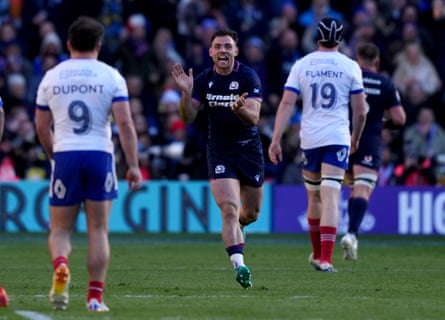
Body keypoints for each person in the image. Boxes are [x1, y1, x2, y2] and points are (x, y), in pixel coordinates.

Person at [35, 16, 142, 312]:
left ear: (68, 44)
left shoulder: (52, 77)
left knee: (59, 230)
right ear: (99, 44)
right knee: (98, 231)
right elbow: (125, 124)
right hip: (99, 154)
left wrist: (55, 156)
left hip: (67, 153)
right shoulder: (111, 76)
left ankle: (61, 265)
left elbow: (42, 127)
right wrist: (133, 165)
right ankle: (94, 298)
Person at [268, 17, 367, 272]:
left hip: (310, 137)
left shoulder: (302, 64)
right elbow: (360, 110)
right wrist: (355, 137)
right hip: (337, 136)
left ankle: (315, 253)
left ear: (317, 37)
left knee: (313, 196)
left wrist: (276, 138)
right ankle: (326, 258)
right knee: (331, 195)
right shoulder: (350, 66)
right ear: (340, 39)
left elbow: (287, 104)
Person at [171, 28, 264, 288]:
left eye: (228, 46)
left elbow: (255, 116)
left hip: (249, 150)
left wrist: (240, 110)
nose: (223, 50)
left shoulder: (248, 76)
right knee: (229, 210)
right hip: (220, 151)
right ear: (211, 52)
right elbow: (187, 117)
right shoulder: (203, 79)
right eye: (218, 47)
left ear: (235, 51)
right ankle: (239, 264)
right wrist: (185, 93)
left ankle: (238, 231)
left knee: (252, 213)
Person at [341, 42, 406, 261]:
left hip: (342, 138)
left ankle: (325, 244)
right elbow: (400, 119)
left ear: (357, 59)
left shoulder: (348, 78)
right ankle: (351, 234)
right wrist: (382, 123)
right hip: (369, 141)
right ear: (376, 61)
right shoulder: (385, 83)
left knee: (336, 188)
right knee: (362, 188)